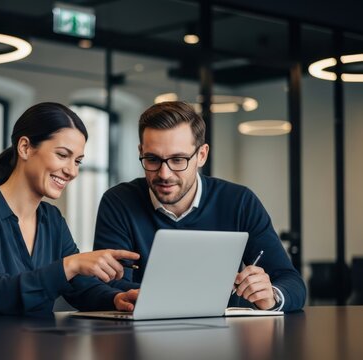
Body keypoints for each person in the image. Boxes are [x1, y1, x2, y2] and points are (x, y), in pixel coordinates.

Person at [93, 101, 306, 312]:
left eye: (178, 160)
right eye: (152, 159)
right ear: (141, 152)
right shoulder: (119, 202)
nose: (164, 174)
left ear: (201, 155)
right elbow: (110, 284)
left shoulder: (239, 201)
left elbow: (292, 283)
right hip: (141, 336)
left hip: (228, 337)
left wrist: (272, 295)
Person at [0, 102, 139, 316]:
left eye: (78, 161)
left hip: (34, 343)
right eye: (63, 155)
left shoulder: (51, 219)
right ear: (25, 147)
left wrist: (115, 298)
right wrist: (70, 265)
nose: (72, 171)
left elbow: (79, 286)